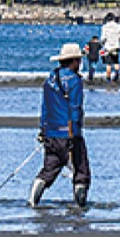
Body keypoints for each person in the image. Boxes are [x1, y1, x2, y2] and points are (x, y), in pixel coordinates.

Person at [29, 42, 90, 208]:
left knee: (49, 169)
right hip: (69, 133)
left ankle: (33, 200)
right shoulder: (75, 81)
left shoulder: (50, 80)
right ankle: (80, 205)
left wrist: (43, 130)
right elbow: (75, 108)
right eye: (78, 60)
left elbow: (45, 107)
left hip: (51, 133)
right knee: (81, 171)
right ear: (74, 61)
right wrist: (75, 132)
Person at [100, 14, 120, 83]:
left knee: (108, 64)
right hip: (116, 46)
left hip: (108, 47)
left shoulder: (104, 27)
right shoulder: (118, 26)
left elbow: (103, 39)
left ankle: (108, 79)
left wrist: (101, 46)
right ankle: (117, 73)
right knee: (116, 62)